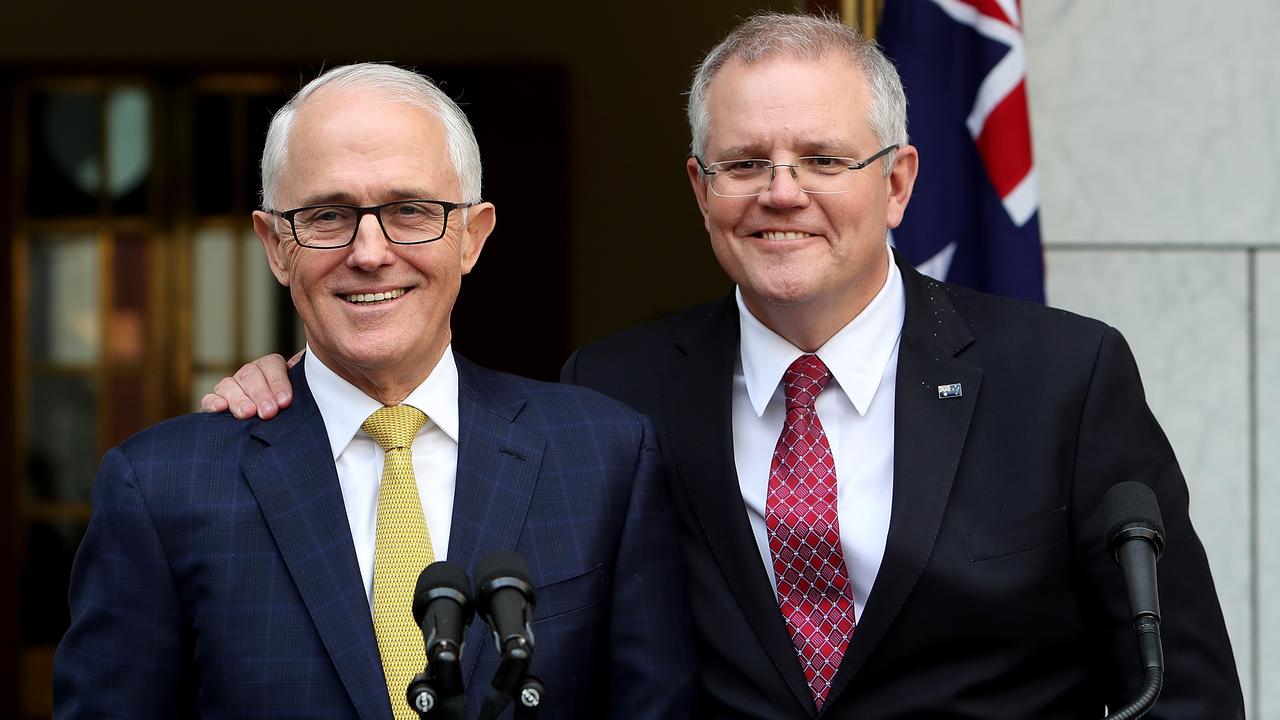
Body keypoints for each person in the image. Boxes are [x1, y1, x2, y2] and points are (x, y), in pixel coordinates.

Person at [203, 13, 1244, 719]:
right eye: (745, 163)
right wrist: (303, 384)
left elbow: (1182, 689)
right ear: (700, 190)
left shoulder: (1060, 376)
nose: (778, 192)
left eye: (821, 160)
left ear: (897, 183)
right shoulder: (613, 389)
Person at [54, 63, 694, 720]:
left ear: (472, 236)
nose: (369, 252)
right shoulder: (161, 489)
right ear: (276, 246)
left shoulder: (605, 455)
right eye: (328, 215)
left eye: (409, 211)